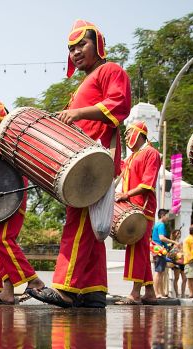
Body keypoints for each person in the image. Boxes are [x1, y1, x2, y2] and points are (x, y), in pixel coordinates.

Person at [28, 19, 131, 309]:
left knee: (79, 222)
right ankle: (93, 289)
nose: (75, 52)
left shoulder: (110, 70)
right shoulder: (85, 81)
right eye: (71, 48)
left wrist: (76, 113)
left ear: (97, 45)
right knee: (91, 224)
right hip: (84, 158)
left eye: (81, 45)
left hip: (94, 159)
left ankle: (65, 289)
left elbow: (119, 104)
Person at [0, 99, 47, 305]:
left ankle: (34, 281)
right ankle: (7, 292)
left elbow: (6, 149)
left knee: (2, 241)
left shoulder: (12, 139)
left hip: (12, 200)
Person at [115, 121, 162, 305]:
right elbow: (118, 167)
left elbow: (147, 184)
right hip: (131, 208)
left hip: (143, 208)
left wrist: (126, 194)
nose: (126, 137)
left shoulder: (151, 153)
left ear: (139, 133)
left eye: (128, 133)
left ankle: (135, 294)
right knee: (140, 248)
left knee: (138, 248)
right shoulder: (132, 157)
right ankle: (149, 293)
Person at [150, 209, 173, 299]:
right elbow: (162, 238)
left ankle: (160, 292)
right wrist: (173, 241)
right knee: (159, 272)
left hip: (159, 249)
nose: (168, 217)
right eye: (167, 215)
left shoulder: (158, 224)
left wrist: (168, 244)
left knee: (161, 272)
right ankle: (156, 293)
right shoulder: (161, 224)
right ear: (163, 215)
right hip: (158, 250)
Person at [166, 228, 185, 298]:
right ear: (174, 234)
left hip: (183, 262)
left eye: (180, 233)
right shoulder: (171, 244)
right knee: (176, 278)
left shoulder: (181, 243)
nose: (179, 234)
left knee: (184, 279)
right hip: (176, 262)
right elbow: (168, 253)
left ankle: (183, 294)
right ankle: (177, 294)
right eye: (177, 233)